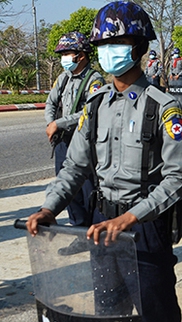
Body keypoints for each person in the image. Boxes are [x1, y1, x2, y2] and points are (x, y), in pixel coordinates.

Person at [27, 2, 182, 322]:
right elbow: (75, 167)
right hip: (102, 228)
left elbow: (177, 178)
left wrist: (131, 217)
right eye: (102, 44)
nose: (107, 51)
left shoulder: (162, 107)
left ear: (139, 48)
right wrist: (48, 208)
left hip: (144, 231)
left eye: (115, 43)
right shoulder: (97, 104)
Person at [45, 31, 104, 256]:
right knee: (66, 185)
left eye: (67, 53)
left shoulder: (94, 80)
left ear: (81, 55)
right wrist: (51, 123)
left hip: (84, 141)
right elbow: (51, 102)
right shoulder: (64, 77)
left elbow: (89, 112)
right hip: (63, 141)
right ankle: (79, 231)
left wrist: (59, 123)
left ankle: (92, 230)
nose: (64, 58)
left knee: (87, 188)